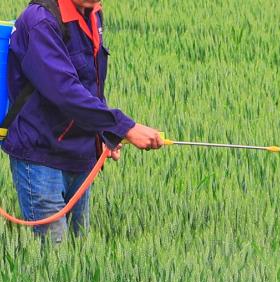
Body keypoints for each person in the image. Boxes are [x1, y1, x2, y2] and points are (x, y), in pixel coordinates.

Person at [1, 0, 163, 242]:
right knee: (54, 259)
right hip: (41, 157)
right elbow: (65, 90)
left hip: (81, 155)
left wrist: (106, 134)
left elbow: (91, 85)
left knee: (79, 252)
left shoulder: (93, 13)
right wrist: (124, 127)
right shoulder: (41, 21)